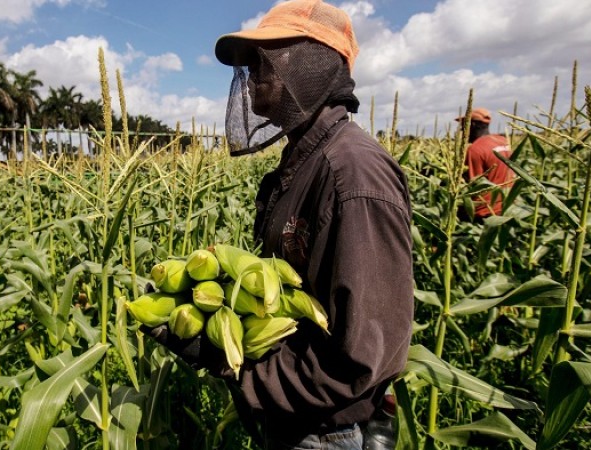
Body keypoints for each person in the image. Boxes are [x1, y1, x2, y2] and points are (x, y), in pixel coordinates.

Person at [146, 1, 413, 449]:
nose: (250, 78)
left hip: (329, 432)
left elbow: (361, 356)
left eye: (263, 61)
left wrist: (232, 362)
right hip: (298, 418)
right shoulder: (305, 158)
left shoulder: (352, 173)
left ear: (310, 63)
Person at [456, 107, 514, 220]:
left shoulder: (475, 149)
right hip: (507, 205)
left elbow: (473, 185)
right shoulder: (503, 141)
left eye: (463, 125)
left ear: (472, 124)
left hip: (485, 212)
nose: (461, 130)